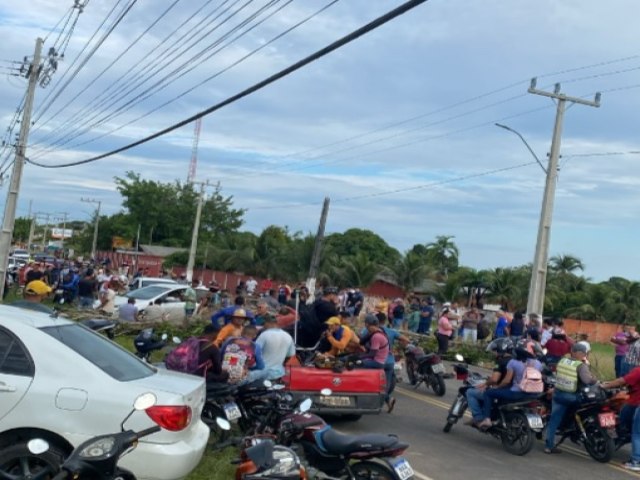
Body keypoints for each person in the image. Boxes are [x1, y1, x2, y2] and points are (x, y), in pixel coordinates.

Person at [477, 339, 543, 429]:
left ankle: (487, 419)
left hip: (517, 393)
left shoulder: (513, 362)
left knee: (489, 393)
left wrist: (497, 387)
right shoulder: (538, 364)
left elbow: (507, 381)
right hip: (533, 394)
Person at [545, 343, 597, 454]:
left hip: (558, 394)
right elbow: (587, 380)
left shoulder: (562, 361)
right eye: (584, 354)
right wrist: (595, 380)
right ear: (580, 353)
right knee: (589, 406)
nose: (584, 355)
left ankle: (549, 446)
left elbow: (558, 375)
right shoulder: (581, 365)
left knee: (553, 421)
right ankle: (577, 428)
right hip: (572, 397)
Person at [466, 338, 514, 426]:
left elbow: (494, 379)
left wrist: (485, 384)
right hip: (514, 391)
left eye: (495, 351)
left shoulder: (501, 362)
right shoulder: (515, 361)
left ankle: (478, 418)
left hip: (502, 391)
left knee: (470, 392)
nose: (494, 353)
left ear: (500, 349)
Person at [602, 365, 640, 471]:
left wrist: (604, 386)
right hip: (634, 402)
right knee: (624, 414)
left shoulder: (638, 371)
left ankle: (636, 461)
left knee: (637, 433)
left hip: (636, 403)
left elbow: (621, 381)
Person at [359, 314, 393, 411]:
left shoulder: (377, 336)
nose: (366, 328)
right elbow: (361, 342)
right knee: (380, 386)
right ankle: (388, 400)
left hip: (377, 362)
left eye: (366, 326)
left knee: (356, 365)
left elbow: (372, 353)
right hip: (384, 362)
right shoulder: (379, 332)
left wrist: (360, 358)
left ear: (367, 324)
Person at [255, 315, 295, 380]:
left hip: (262, 373)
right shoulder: (288, 336)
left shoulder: (264, 334)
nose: (263, 326)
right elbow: (290, 355)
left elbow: (255, 351)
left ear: (268, 323)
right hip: (278, 374)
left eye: (264, 324)